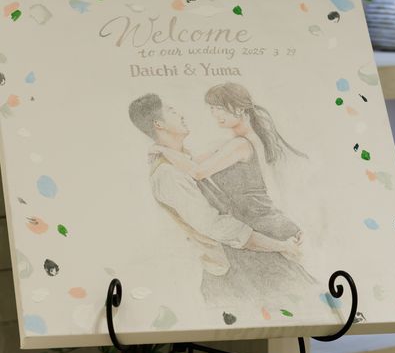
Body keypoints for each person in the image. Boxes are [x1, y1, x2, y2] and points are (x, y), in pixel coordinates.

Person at [128, 93, 305, 305]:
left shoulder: (185, 159)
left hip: (254, 259)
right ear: (159, 124)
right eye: (172, 111)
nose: (181, 114)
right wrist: (280, 246)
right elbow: (217, 226)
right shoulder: (168, 174)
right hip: (236, 274)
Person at [154, 82, 309, 243]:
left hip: (265, 226)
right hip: (262, 223)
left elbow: (198, 172)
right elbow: (191, 162)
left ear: (239, 109)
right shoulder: (239, 141)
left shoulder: (240, 145)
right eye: (212, 108)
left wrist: (162, 150)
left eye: (219, 108)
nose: (215, 114)